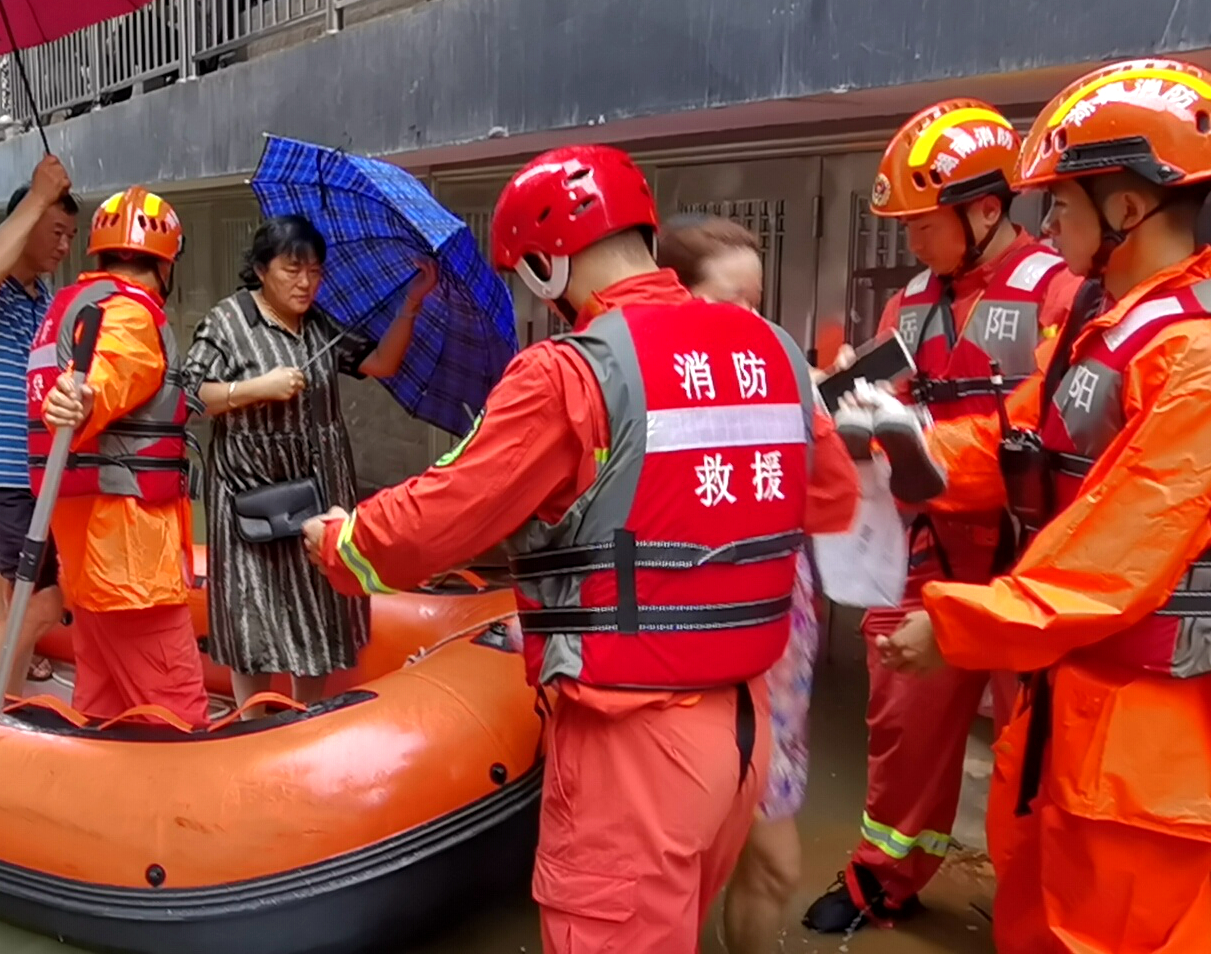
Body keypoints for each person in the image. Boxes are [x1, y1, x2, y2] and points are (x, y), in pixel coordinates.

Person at [301, 146, 859, 953]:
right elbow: (833, 497)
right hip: (745, 730)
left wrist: (343, 542)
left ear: (544, 262)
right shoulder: (773, 352)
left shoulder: (570, 372)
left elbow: (433, 524)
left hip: (632, 744)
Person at [874, 57, 1211, 954]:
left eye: (1063, 203)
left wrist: (955, 626)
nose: (1048, 222)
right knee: (1035, 914)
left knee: (1109, 933)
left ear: (1129, 209)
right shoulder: (1109, 327)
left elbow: (1116, 551)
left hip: (1140, 728)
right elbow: (1010, 442)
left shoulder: (1197, 361)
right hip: (1065, 700)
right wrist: (891, 444)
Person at [802, 98, 1083, 934]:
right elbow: (881, 414)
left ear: (988, 210)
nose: (912, 241)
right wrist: (848, 398)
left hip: (1025, 561)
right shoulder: (911, 305)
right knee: (901, 727)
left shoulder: (1064, 297)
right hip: (920, 554)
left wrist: (913, 439)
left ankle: (1035, 906)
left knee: (1036, 750)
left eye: (924, 223)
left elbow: (1043, 433)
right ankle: (885, 876)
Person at [181, 215, 434, 715]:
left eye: (315, 272)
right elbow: (192, 393)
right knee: (251, 615)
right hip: (248, 494)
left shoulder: (319, 324)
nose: (305, 282)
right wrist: (257, 388)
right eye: (292, 269)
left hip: (317, 494)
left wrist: (411, 305)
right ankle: (251, 723)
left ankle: (306, 720)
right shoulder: (229, 321)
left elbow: (380, 362)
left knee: (319, 610)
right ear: (260, 268)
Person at [656, 213, 821, 954]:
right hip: (690, 669)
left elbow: (834, 499)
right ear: (675, 298)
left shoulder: (782, 379)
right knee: (678, 875)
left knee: (775, 866)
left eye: (760, 302)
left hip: (780, 656)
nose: (754, 321)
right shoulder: (647, 400)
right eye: (734, 301)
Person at [35, 186, 210, 729]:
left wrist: (78, 398)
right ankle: (182, 810)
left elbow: (92, 384)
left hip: (87, 553)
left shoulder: (68, 307)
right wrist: (80, 399)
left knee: (101, 701)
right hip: (131, 563)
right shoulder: (132, 318)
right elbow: (103, 381)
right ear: (167, 263)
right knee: (176, 708)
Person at [0, 154, 77, 695]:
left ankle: (3, 708)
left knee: (15, 603)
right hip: (1, 477)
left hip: (37, 479)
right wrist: (38, 194)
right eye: (55, 231)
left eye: (72, 235)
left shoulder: (46, 303)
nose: (63, 246)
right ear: (24, 225)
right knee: (40, 603)